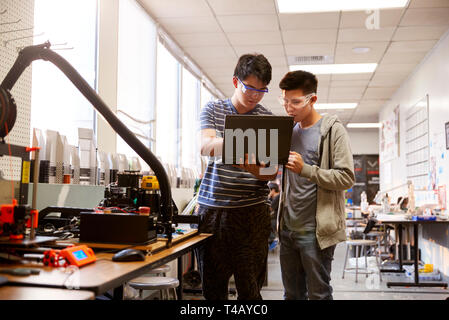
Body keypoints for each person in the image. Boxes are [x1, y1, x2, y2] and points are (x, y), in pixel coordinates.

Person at [195, 53, 277, 300]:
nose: (255, 95)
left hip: (251, 213)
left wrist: (248, 165)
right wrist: (243, 148)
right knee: (213, 291)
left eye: (262, 90)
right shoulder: (213, 109)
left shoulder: (267, 119)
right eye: (250, 87)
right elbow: (205, 146)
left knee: (250, 292)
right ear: (235, 82)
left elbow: (270, 171)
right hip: (213, 212)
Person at [277, 70, 355, 300]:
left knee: (319, 294)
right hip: (287, 229)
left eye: (295, 102)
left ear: (313, 99)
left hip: (316, 232)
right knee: (291, 295)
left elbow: (346, 177)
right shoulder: (287, 132)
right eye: (285, 101)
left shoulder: (332, 130)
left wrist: (306, 170)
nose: (289, 108)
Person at [268, 182, 280, 250]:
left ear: (273, 190)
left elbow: (270, 208)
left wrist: (268, 196)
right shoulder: (274, 198)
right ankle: (271, 241)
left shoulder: (277, 197)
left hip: (276, 219)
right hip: (274, 217)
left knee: (266, 222)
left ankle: (273, 240)